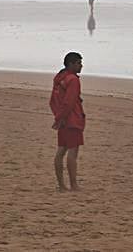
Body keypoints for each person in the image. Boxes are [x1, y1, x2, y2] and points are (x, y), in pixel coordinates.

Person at [50, 52, 86, 191]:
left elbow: (53, 101)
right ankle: (73, 184)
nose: (81, 66)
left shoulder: (59, 78)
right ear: (71, 64)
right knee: (72, 152)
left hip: (63, 120)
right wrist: (61, 118)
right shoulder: (72, 80)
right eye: (78, 63)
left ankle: (61, 185)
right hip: (72, 120)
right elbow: (69, 102)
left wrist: (57, 117)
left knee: (61, 151)